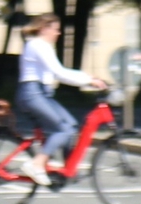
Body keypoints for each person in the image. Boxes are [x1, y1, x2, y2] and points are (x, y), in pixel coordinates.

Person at [14, 15, 98, 185]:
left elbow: (59, 71)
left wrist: (85, 76)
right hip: (33, 94)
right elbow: (59, 73)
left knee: (71, 125)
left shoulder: (41, 46)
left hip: (40, 94)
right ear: (44, 29)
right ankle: (36, 164)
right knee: (63, 129)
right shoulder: (38, 45)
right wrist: (88, 81)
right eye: (56, 29)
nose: (58, 33)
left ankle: (67, 170)